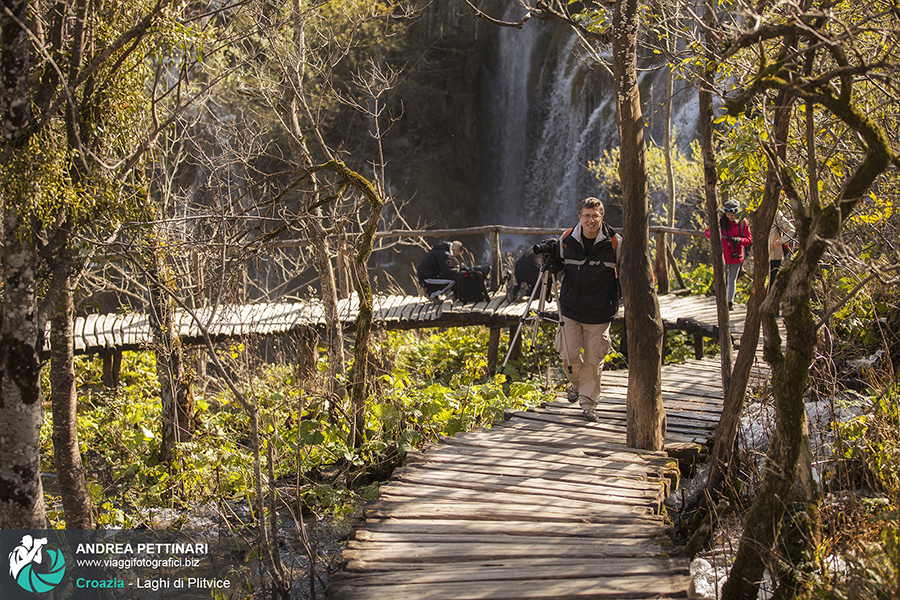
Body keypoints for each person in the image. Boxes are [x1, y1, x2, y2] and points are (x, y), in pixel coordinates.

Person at [553, 197, 621, 422]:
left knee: (593, 360)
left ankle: (589, 405)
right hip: (571, 308)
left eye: (595, 216)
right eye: (586, 216)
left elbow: (626, 273)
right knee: (568, 355)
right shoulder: (566, 240)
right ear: (579, 217)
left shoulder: (614, 242)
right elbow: (557, 270)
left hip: (600, 312)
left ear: (602, 217)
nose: (591, 220)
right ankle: (578, 384)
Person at [705, 199, 751, 309]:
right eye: (728, 214)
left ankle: (729, 302)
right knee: (721, 278)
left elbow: (748, 239)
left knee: (732, 280)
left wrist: (739, 240)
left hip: (736, 254)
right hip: (723, 255)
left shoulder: (743, 222)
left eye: (733, 214)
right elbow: (707, 232)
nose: (730, 217)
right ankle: (721, 300)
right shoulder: (721, 221)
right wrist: (717, 235)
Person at [768, 211, 792, 290]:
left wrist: (781, 241)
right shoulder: (760, 213)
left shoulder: (777, 215)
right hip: (762, 255)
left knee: (772, 283)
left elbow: (791, 230)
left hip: (774, 255)